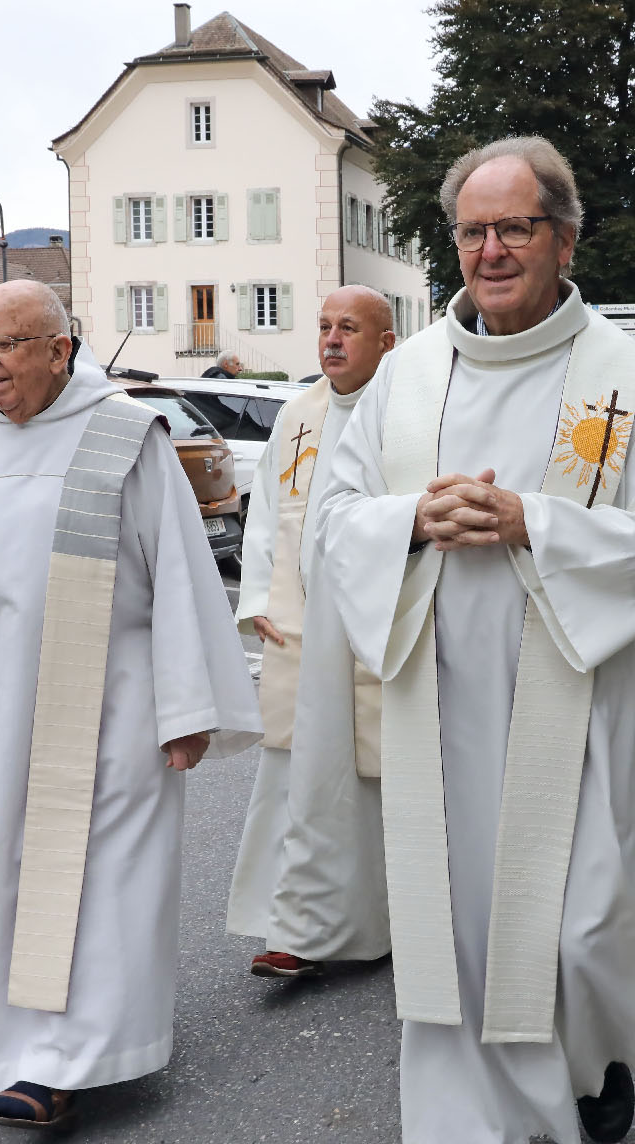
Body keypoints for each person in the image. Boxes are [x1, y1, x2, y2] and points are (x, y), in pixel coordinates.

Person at [315, 137, 635, 1144]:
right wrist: (413, 521)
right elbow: (337, 517)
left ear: (563, 239)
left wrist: (537, 519)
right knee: (455, 928)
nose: (490, 250)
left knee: (582, 922)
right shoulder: (405, 375)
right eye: (473, 231)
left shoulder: (628, 377)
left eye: (514, 228)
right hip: (438, 690)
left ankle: (593, 1054)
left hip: (578, 698)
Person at [0, 280, 260, 1129]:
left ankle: (77, 1059)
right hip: (0, 701)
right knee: (17, 873)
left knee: (103, 880)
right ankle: (20, 1047)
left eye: (8, 344)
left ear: (60, 349)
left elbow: (177, 570)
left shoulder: (126, 436)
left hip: (113, 705)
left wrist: (187, 706)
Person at [226, 285, 395, 978]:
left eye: (349, 328)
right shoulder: (299, 413)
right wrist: (260, 596)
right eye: (324, 326)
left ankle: (391, 921)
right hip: (300, 623)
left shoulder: (412, 413)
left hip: (378, 629)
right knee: (295, 777)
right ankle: (293, 925)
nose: (330, 340)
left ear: (387, 342)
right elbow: (267, 513)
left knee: (379, 781)